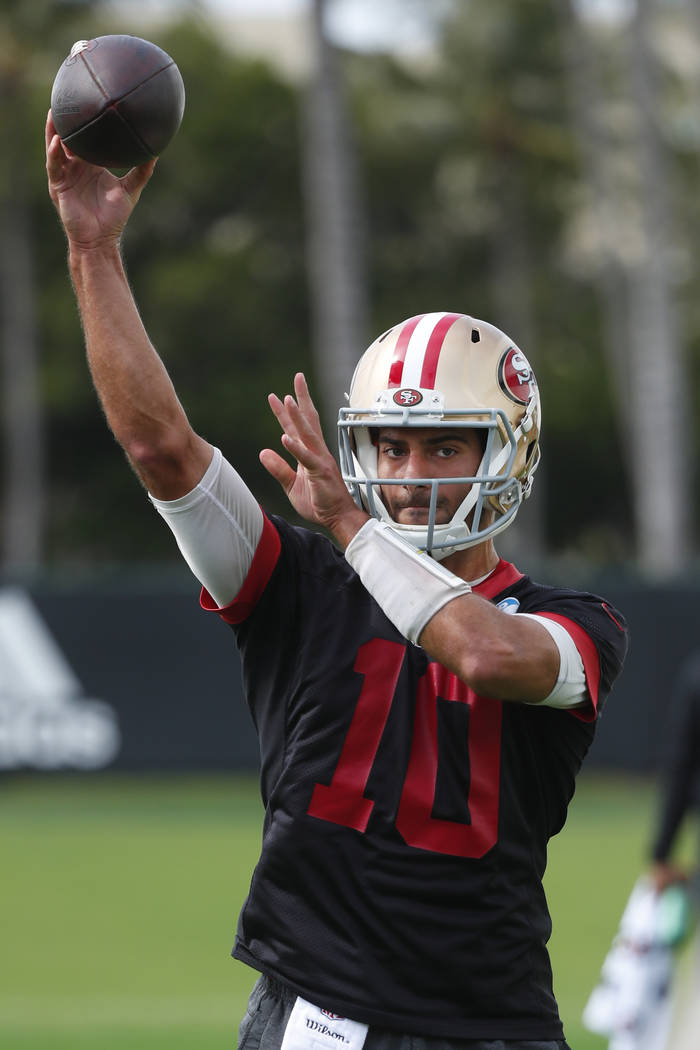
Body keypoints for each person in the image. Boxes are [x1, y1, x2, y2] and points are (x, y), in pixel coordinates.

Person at [46, 111, 628, 1050]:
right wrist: (92, 247)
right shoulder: (301, 579)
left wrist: (352, 527)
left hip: (487, 1024)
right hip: (315, 1017)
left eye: (446, 445)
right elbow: (161, 449)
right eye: (390, 444)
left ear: (509, 456)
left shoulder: (575, 623)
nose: (408, 473)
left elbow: (481, 653)